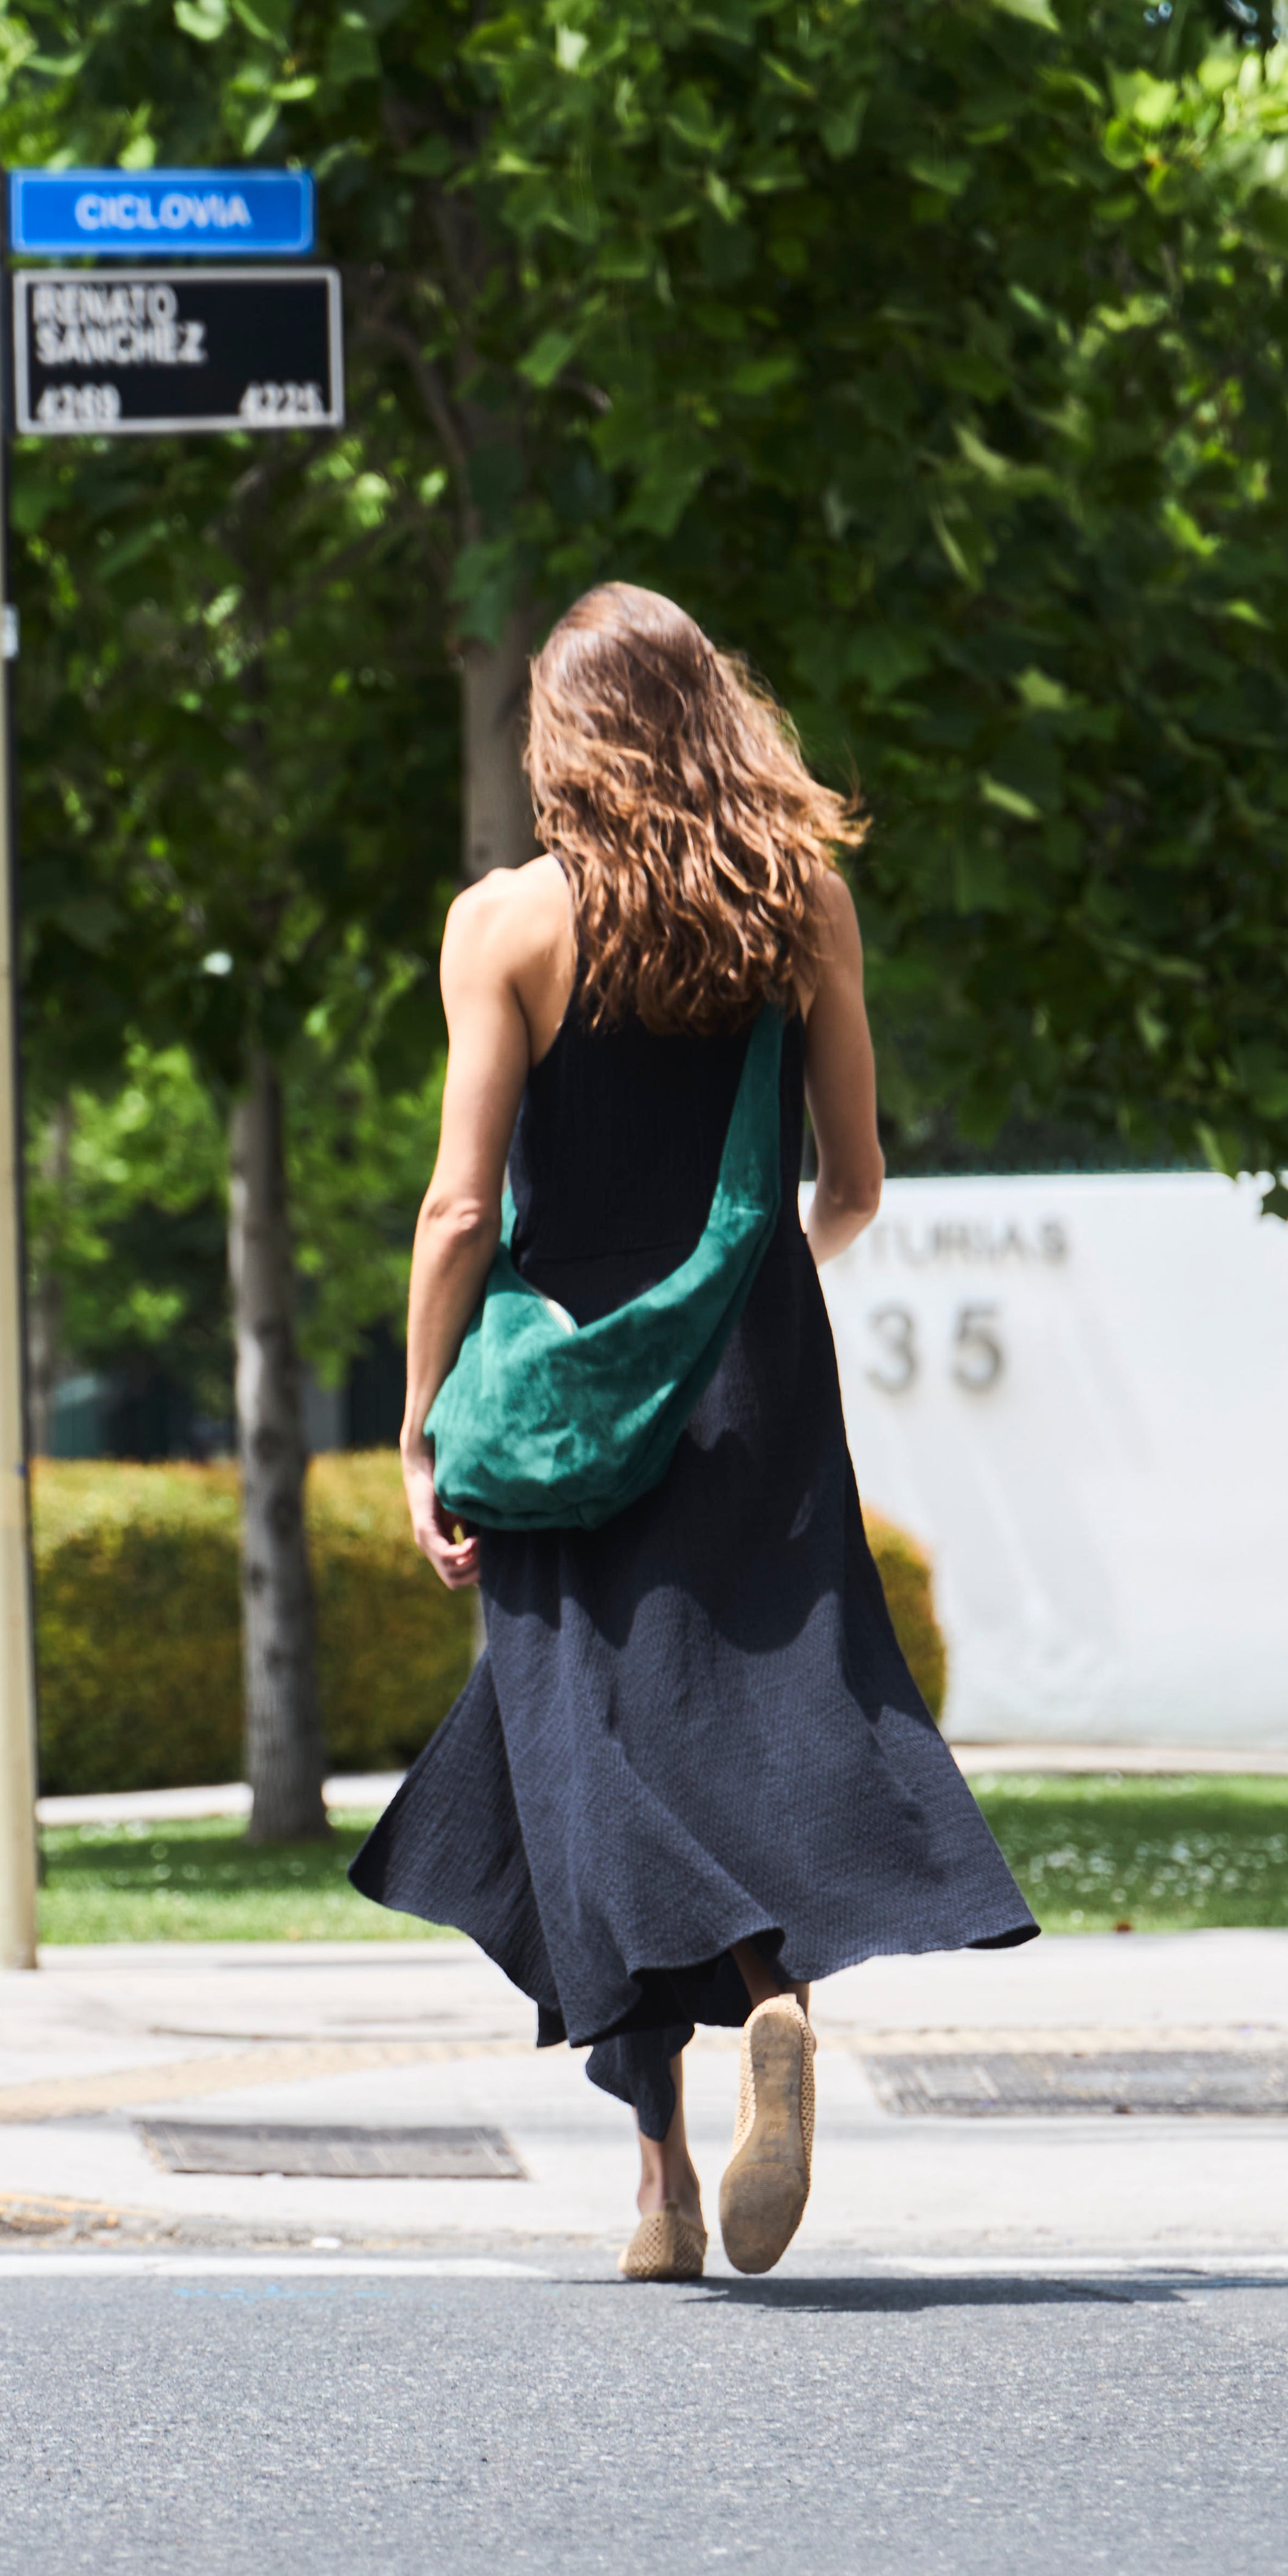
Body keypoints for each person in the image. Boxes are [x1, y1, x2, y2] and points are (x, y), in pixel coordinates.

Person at [350, 583, 1036, 2281]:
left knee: (582, 1744)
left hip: (563, 1394)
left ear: (559, 736)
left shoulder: (504, 924)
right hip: (756, 1379)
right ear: (711, 712)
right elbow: (853, 1182)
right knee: (730, 1726)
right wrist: (741, 1294)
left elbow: (457, 1209)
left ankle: (692, 2111)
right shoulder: (800, 905)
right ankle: (678, 2158)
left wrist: (419, 1424)